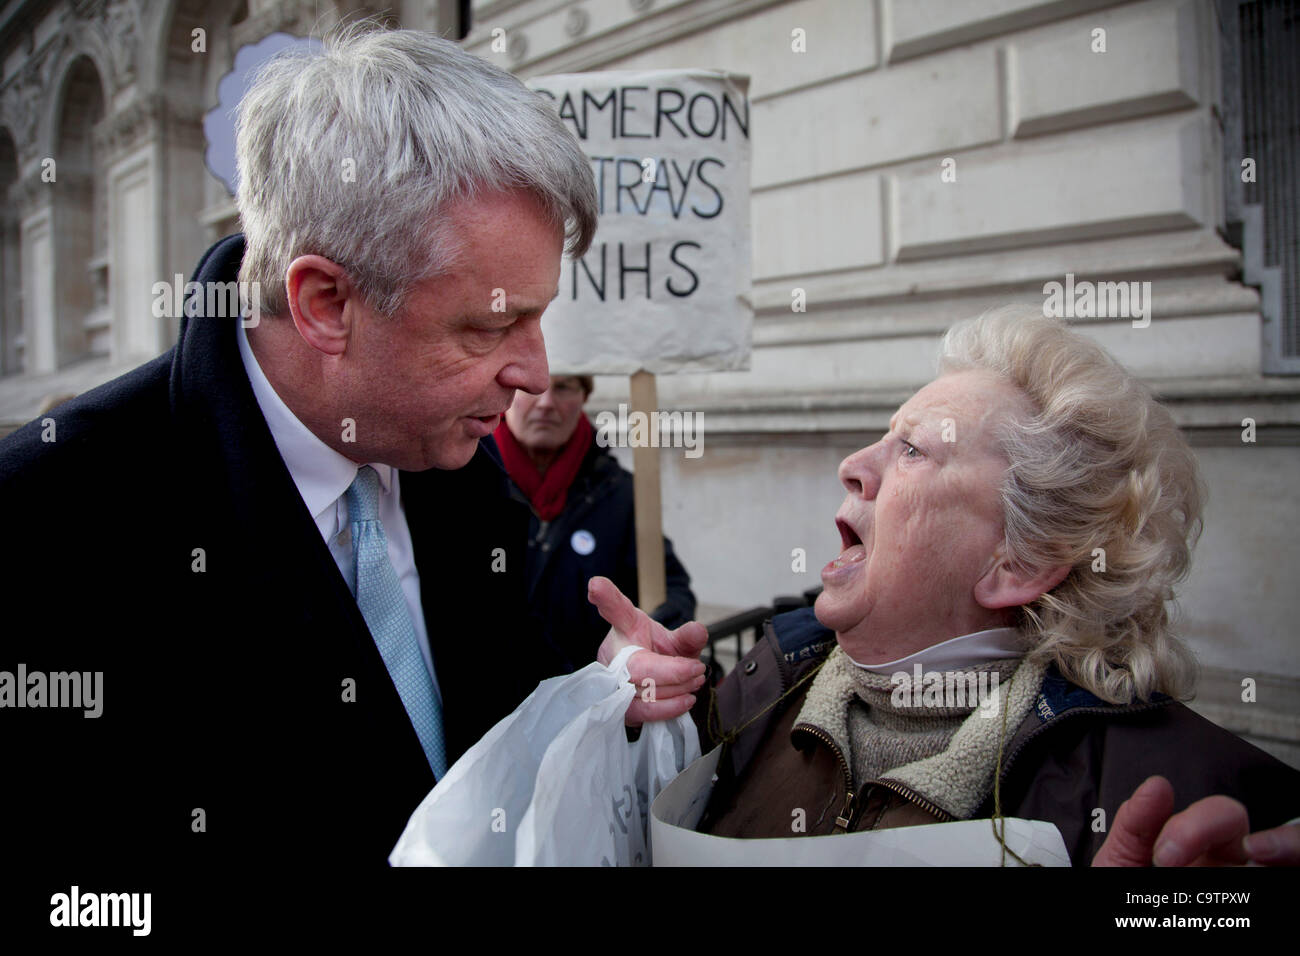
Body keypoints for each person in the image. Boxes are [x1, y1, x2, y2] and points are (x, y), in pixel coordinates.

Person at [0, 24, 704, 872]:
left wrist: (601, 695)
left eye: (538, 315)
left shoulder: (459, 472)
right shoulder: (50, 517)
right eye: (490, 324)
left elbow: (489, 718)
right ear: (326, 302)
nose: (534, 372)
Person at [586, 307, 1300, 866]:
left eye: (913, 450)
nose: (852, 465)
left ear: (1017, 563)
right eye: (884, 435)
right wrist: (625, 708)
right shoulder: (759, 688)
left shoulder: (1165, 803)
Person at [495, 374, 696, 671]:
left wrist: (649, 638)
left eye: (563, 387)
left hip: (596, 703)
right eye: (533, 387)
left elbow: (670, 587)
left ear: (584, 397)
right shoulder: (466, 485)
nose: (547, 403)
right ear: (506, 394)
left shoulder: (621, 494)